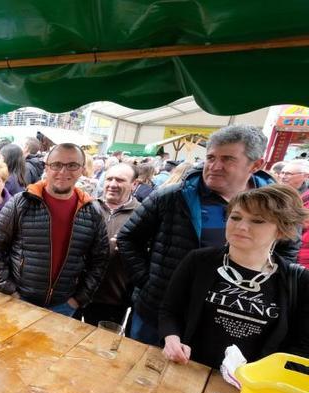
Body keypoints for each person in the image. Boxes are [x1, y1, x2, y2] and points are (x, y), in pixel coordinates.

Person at [118, 125, 299, 346]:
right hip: (157, 313)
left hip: (224, 323)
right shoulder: (173, 197)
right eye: (211, 157)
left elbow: (288, 248)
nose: (214, 166)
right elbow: (128, 238)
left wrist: (266, 290)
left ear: (256, 165)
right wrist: (149, 281)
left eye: (228, 159)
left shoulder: (276, 206)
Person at [160, 185, 309, 367]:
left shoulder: (298, 281)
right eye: (236, 217)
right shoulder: (198, 261)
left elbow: (302, 346)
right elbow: (170, 310)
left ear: (280, 230)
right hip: (190, 369)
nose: (241, 226)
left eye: (258, 221)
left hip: (249, 386)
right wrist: (171, 338)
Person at [0, 143, 109, 316]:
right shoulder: (21, 202)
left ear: (82, 170)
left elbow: (99, 260)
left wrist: (78, 299)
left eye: (72, 165)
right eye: (56, 164)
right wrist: (9, 290)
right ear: (47, 167)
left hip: (64, 306)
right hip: (20, 300)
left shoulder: (92, 211)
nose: (63, 172)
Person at [80, 163, 141, 325]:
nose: (113, 184)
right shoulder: (88, 206)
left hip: (112, 299)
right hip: (76, 294)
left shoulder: (142, 215)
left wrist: (131, 249)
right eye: (109, 179)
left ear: (134, 184)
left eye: (120, 180)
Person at [278, 160, 309, 268]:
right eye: (282, 172)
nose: (283, 176)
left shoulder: (305, 198)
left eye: (288, 174)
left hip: (296, 257)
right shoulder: (275, 192)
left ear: (305, 176)